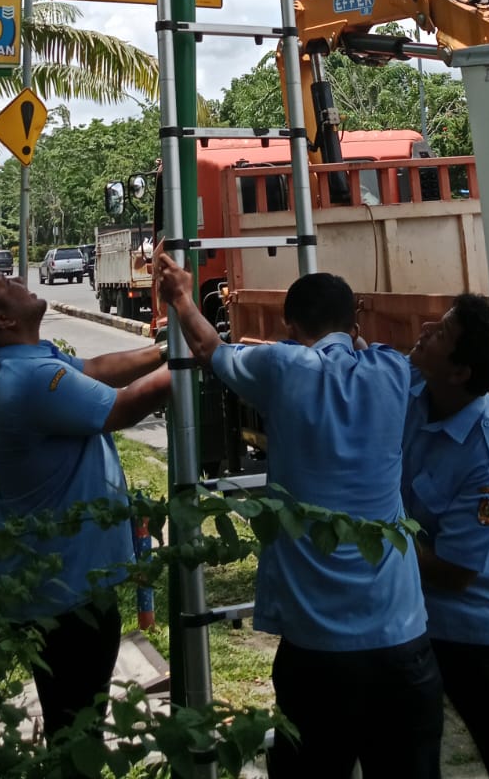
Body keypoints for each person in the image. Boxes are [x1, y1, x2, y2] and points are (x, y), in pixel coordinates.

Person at [156, 254, 444, 779]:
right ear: (353, 321)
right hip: (402, 640)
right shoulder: (392, 371)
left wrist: (179, 296)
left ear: (291, 326)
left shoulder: (281, 368)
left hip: (316, 648)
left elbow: (208, 348)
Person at [0, 267, 170, 748]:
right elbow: (122, 407)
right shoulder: (29, 378)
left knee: (72, 714)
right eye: (3, 284)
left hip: (50, 577)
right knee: (77, 731)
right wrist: (196, 358)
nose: (16, 278)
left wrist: (164, 352)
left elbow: (97, 371)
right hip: (66, 590)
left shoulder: (22, 363)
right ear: (0, 317)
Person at [402, 296, 489, 779]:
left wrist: (378, 534)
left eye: (443, 332)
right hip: (414, 614)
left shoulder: (487, 455)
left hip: (472, 630)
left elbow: (458, 574)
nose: (426, 329)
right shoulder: (412, 389)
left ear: (460, 373)